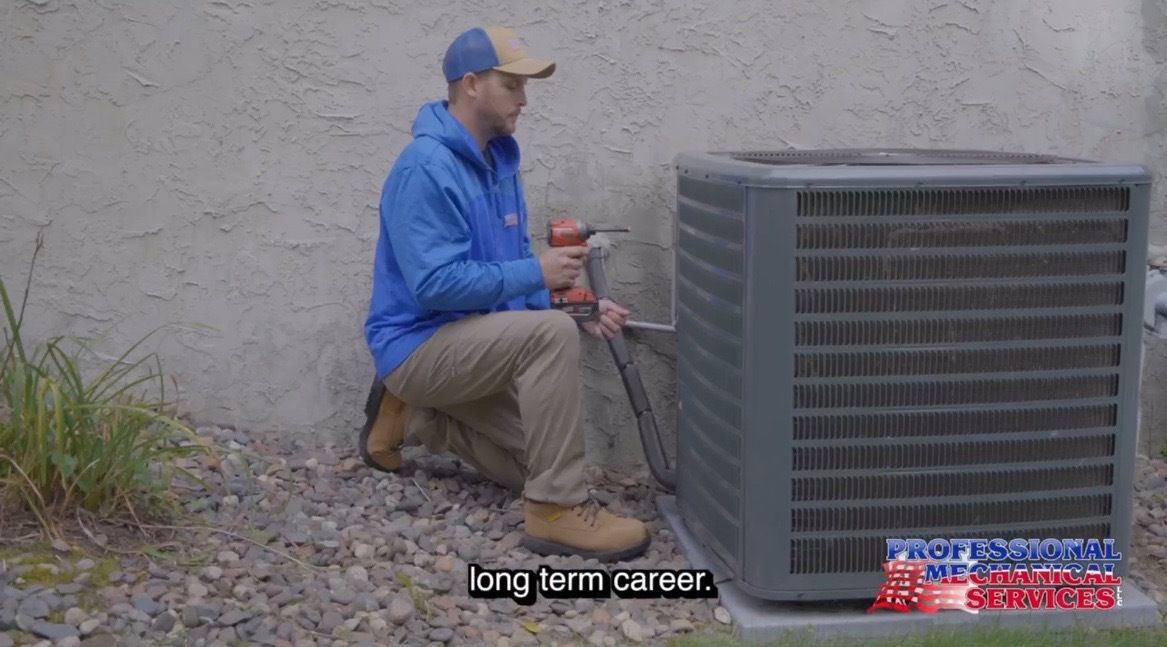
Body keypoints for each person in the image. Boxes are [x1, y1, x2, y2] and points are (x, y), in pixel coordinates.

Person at [360, 25, 650, 562]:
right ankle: (556, 512)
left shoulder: (500, 161)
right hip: (420, 343)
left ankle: (419, 417)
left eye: (525, 86)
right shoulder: (427, 168)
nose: (524, 99)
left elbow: (500, 275)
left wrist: (572, 304)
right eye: (512, 85)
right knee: (548, 343)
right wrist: (538, 279)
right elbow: (436, 285)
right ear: (470, 84)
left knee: (537, 461)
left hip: (470, 344)